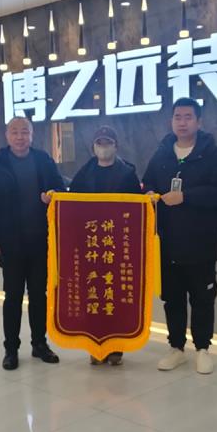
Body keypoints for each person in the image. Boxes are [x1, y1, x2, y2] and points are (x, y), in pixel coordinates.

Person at [142, 98, 217, 374]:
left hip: (200, 243)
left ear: (199, 122)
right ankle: (176, 348)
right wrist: (148, 193)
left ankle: (202, 348)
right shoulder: (161, 154)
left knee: (202, 298)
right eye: (177, 117)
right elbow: (148, 182)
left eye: (188, 117)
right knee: (172, 298)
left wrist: (186, 197)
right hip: (167, 242)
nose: (182, 122)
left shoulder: (213, 155)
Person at [0, 116, 65, 370]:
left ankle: (39, 344)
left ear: (31, 135)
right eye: (14, 132)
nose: (19, 137)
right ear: (7, 136)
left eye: (24, 132)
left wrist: (52, 197)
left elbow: (59, 190)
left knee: (39, 295)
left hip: (40, 242)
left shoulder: (44, 161)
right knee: (13, 297)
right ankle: (11, 349)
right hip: (10, 244)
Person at [70, 125, 142, 365]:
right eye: (99, 143)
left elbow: (137, 210)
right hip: (91, 247)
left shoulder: (127, 174)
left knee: (117, 297)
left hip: (117, 246)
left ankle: (116, 348)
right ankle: (95, 346)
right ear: (93, 147)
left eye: (108, 142)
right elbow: (70, 202)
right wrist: (53, 198)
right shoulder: (84, 174)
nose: (103, 147)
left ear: (116, 146)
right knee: (93, 297)